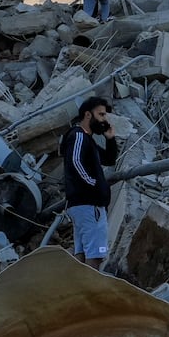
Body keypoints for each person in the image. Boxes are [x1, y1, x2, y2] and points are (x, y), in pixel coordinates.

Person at [61, 97, 120, 271]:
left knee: (82, 255)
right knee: (95, 256)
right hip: (89, 205)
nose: (104, 120)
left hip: (83, 207)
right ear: (88, 115)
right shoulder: (78, 135)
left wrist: (110, 139)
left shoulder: (89, 140)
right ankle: (89, 295)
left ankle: (77, 292)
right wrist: (93, 185)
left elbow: (109, 159)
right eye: (101, 114)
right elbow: (75, 162)